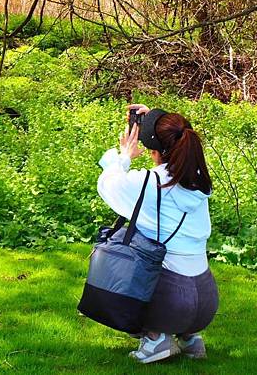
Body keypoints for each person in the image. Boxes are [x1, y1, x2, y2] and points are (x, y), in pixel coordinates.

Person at [96, 104, 219, 364]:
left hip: (173, 302)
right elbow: (179, 133)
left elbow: (108, 184)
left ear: (153, 151)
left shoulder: (148, 183)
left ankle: (155, 339)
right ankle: (191, 339)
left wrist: (125, 155)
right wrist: (155, 119)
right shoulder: (199, 181)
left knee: (118, 263)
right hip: (206, 303)